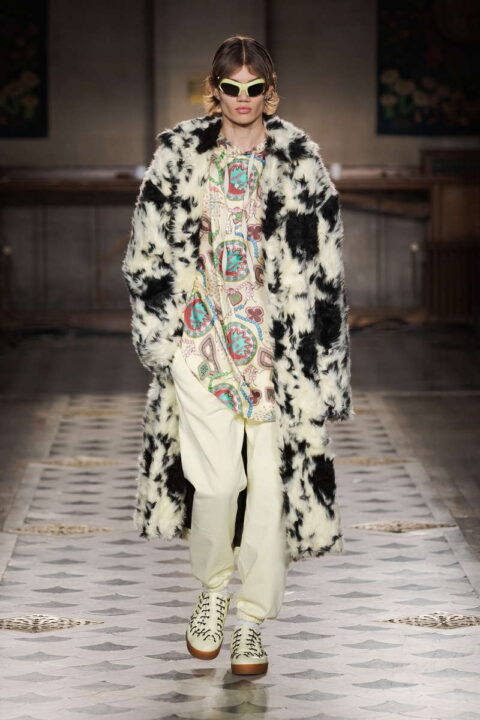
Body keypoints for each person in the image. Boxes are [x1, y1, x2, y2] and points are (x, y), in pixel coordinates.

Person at [121, 34, 353, 676]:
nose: (243, 97)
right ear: (214, 90)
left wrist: (325, 369)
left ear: (269, 91)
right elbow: (147, 251)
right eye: (232, 87)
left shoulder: (302, 162)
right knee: (217, 481)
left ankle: (251, 623)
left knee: (271, 491)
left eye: (254, 87)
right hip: (201, 343)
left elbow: (326, 271)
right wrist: (163, 339)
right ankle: (213, 590)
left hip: (278, 353)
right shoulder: (179, 155)